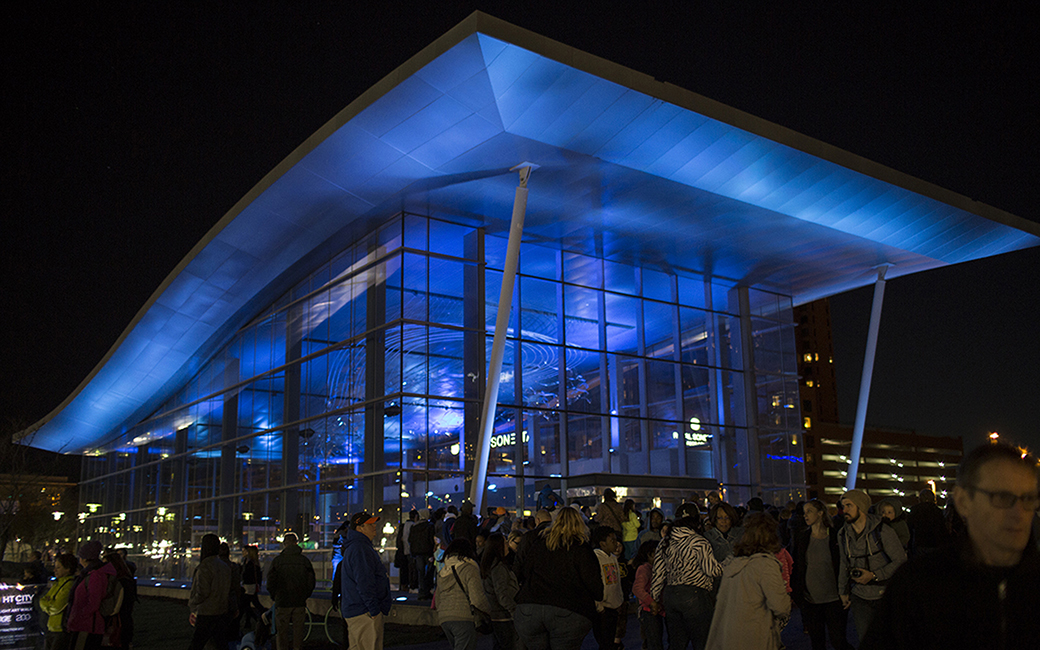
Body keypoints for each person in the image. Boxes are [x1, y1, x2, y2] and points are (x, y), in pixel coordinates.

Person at [860, 443, 1040, 650]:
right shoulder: (917, 585)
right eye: (1001, 497)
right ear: (963, 501)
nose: (1019, 513)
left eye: (1028, 498)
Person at [514, 507, 603, 650]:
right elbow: (595, 586)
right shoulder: (581, 548)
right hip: (568, 609)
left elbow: (525, 571)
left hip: (530, 608)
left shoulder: (540, 543)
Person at [705, 512, 791, 650]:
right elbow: (781, 607)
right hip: (756, 635)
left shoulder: (733, 563)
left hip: (730, 635)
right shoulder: (766, 565)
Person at [836, 489, 907, 643]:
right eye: (843, 506)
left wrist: (874, 575)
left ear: (861, 507)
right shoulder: (843, 534)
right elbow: (844, 562)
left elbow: (900, 561)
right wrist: (843, 590)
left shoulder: (883, 531)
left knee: (890, 640)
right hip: (859, 597)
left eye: (849, 505)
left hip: (885, 595)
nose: (844, 510)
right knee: (866, 641)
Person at [650, 510, 721, 650]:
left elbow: (658, 572)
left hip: (670, 595)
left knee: (676, 642)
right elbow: (711, 570)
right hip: (695, 594)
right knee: (702, 641)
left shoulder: (666, 541)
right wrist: (727, 564)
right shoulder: (698, 541)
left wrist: (654, 598)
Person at [791, 499, 850, 650]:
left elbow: (843, 564)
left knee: (838, 640)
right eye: (804, 513)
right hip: (811, 600)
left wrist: (845, 590)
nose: (805, 516)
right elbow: (797, 565)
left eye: (809, 511)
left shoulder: (835, 537)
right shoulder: (803, 538)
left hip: (833, 598)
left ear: (820, 513)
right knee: (817, 642)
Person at [340, 511, 392, 650]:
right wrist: (374, 609)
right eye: (370, 524)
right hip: (364, 612)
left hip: (360, 610)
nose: (374, 526)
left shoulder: (358, 547)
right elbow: (364, 582)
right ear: (360, 528)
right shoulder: (360, 548)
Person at [437, 538, 492, 650]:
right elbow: (477, 597)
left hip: (445, 618)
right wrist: (488, 611)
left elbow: (438, 598)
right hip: (464, 617)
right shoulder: (469, 567)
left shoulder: (443, 571)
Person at [267, 532, 316, 650]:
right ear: (296, 543)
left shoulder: (277, 561)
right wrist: (305, 595)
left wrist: (275, 596)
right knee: (298, 633)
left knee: (282, 633)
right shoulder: (304, 561)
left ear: (284, 544)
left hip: (282, 601)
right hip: (299, 601)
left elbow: (270, 582)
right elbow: (311, 582)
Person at [66, 540, 117, 650]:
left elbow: (93, 602)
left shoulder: (95, 575)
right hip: (86, 624)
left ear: (84, 559)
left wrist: (79, 616)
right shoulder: (92, 573)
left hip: (88, 625)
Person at [187, 533, 233, 650]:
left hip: (206, 612)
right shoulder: (225, 566)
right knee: (221, 643)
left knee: (197, 643)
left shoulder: (205, 567)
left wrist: (192, 603)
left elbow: (202, 592)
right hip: (221, 610)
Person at [481, 533, 520, 650]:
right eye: (505, 543)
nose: (507, 545)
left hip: (496, 615)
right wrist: (513, 610)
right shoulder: (499, 567)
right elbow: (502, 593)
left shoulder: (489, 565)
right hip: (504, 616)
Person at [590, 526, 624, 650]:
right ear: (602, 543)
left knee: (609, 641)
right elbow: (593, 583)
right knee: (605, 642)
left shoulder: (613, 558)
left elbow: (617, 583)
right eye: (612, 541)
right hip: (602, 608)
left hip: (613, 606)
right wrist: (598, 606)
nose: (616, 543)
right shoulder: (595, 558)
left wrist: (619, 601)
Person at [39, 552, 77, 650]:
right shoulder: (57, 583)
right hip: (52, 627)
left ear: (68, 569)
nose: (54, 570)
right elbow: (43, 600)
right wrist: (50, 603)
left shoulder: (68, 586)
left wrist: (47, 604)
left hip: (60, 629)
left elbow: (56, 607)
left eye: (58, 567)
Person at [631, 541, 663, 650]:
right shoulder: (644, 569)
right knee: (654, 641)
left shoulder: (651, 568)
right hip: (648, 609)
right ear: (650, 555)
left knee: (655, 640)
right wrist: (651, 601)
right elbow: (637, 589)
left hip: (653, 609)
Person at [101, 550, 136, 650]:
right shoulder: (127, 579)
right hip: (125, 621)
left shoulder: (118, 581)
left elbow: (116, 604)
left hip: (117, 621)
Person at [905, 488, 948, 557]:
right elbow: (942, 529)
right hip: (935, 542)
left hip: (920, 542)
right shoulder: (937, 511)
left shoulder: (915, 510)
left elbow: (909, 527)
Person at [409, 508, 437, 600]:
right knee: (429, 572)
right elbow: (431, 540)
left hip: (417, 553)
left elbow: (410, 540)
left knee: (420, 572)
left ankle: (421, 591)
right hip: (427, 552)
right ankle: (427, 590)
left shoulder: (414, 527)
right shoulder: (430, 526)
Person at [240, 545, 264, 629]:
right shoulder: (254, 563)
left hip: (249, 586)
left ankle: (258, 618)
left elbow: (248, 575)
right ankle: (252, 620)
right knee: (253, 603)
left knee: (245, 604)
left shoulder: (250, 563)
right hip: (251, 586)